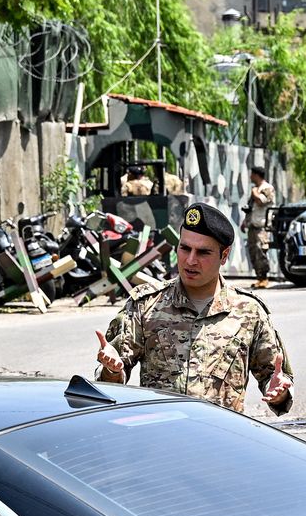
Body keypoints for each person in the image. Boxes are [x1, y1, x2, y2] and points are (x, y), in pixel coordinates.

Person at [94, 202, 295, 415]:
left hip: (222, 438)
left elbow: (275, 379)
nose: (190, 260)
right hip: (161, 438)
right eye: (185, 248)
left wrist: (280, 392)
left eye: (203, 252)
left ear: (224, 256)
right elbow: (111, 378)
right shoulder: (146, 304)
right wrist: (111, 370)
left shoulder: (249, 311)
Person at [241, 165, 277, 290]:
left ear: (257, 175)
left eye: (252, 174)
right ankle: (259, 277)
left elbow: (261, 201)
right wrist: (245, 222)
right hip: (252, 224)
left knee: (260, 250)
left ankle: (264, 278)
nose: (250, 176)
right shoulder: (256, 189)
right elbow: (250, 208)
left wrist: (255, 192)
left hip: (262, 226)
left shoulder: (267, 188)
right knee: (253, 251)